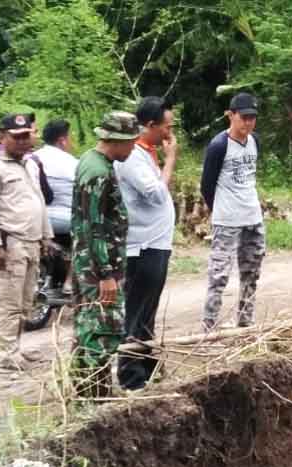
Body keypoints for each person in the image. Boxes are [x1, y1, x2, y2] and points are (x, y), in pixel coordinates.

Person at [0, 114, 53, 373]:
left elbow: (38, 201)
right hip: (11, 243)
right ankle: (5, 356)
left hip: (31, 242)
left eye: (25, 136)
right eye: (15, 137)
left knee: (25, 301)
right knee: (8, 301)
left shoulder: (29, 164)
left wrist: (46, 235)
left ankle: (15, 348)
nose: (22, 141)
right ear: (2, 137)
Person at [71, 111, 139, 398]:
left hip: (89, 264)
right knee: (103, 329)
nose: (133, 149)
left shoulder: (91, 160)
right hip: (98, 268)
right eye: (131, 143)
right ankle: (96, 395)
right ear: (117, 140)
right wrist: (107, 275)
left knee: (87, 327)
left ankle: (86, 392)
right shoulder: (98, 173)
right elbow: (94, 228)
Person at [114, 97, 179, 390]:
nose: (170, 132)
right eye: (167, 126)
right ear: (150, 125)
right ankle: (131, 376)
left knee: (148, 311)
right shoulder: (131, 157)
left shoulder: (146, 152)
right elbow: (155, 194)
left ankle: (148, 368)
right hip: (142, 245)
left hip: (157, 241)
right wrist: (171, 160)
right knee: (137, 310)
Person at [199, 93, 265, 331]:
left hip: (252, 216)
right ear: (231, 115)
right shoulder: (219, 145)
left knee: (251, 272)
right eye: (244, 117)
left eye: (252, 118)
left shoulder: (254, 141)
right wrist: (219, 210)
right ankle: (209, 326)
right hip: (227, 219)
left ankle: (245, 321)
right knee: (219, 275)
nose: (248, 123)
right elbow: (206, 185)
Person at [31, 119, 78, 296]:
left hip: (35, 218)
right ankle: (70, 281)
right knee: (88, 235)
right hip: (63, 221)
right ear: (62, 140)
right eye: (70, 137)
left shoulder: (32, 159)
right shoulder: (72, 163)